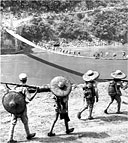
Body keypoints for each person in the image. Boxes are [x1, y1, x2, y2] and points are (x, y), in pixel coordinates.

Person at [6, 73, 38, 143]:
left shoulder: (16, 87)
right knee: (25, 121)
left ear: (20, 80)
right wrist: (36, 92)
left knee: (13, 123)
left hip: (14, 108)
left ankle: (10, 138)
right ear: (26, 80)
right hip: (22, 108)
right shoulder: (25, 88)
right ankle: (28, 134)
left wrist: (7, 87)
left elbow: (10, 93)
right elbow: (29, 98)